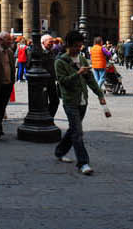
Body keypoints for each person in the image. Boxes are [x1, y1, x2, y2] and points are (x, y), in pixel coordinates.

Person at [53, 30, 109, 176]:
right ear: (69, 45)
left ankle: (59, 151)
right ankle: (83, 163)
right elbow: (63, 81)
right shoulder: (60, 62)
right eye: (76, 46)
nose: (79, 48)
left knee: (73, 129)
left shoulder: (82, 59)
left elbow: (90, 79)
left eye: (80, 46)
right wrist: (77, 73)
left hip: (83, 101)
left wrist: (100, 95)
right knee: (78, 132)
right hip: (70, 101)